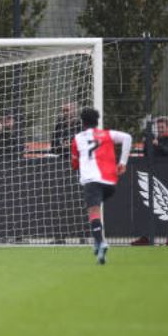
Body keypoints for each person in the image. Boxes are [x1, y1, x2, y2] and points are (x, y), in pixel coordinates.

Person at [71, 107, 132, 265]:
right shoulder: (107, 134)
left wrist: (79, 162)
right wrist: (123, 162)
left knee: (93, 212)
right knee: (96, 210)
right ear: (97, 121)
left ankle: (100, 243)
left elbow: (74, 164)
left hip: (92, 181)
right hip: (110, 182)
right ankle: (98, 241)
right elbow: (127, 137)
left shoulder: (77, 138)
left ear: (82, 122)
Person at [134, 115, 168, 246]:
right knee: (147, 206)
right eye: (158, 127)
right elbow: (146, 154)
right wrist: (147, 143)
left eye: (162, 127)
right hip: (153, 177)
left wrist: (158, 145)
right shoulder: (154, 139)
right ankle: (146, 237)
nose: (159, 129)